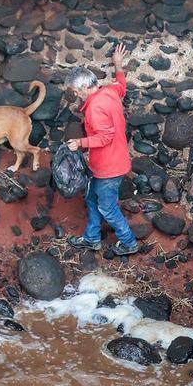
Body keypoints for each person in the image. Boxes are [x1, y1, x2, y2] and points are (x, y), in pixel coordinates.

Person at [65, 43, 140, 256]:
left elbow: (105, 137)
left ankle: (129, 242)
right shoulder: (109, 92)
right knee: (91, 199)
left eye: (76, 91)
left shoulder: (95, 108)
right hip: (113, 162)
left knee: (107, 207)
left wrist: (80, 143)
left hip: (109, 166)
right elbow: (122, 85)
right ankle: (92, 238)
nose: (77, 95)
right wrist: (118, 64)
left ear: (84, 88)